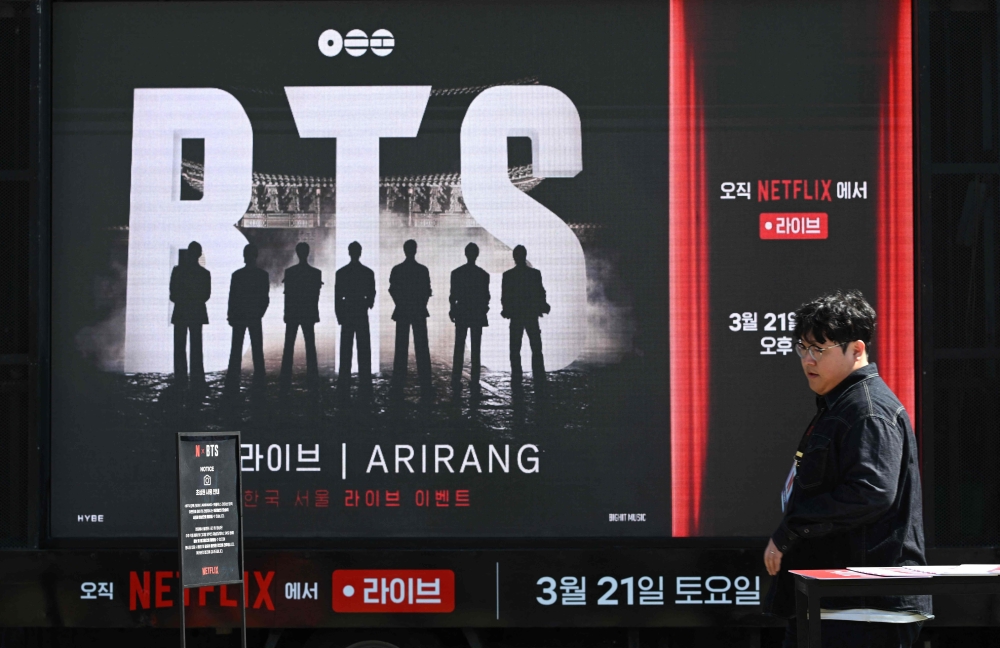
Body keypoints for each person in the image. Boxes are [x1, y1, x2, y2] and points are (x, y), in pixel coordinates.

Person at [763, 290, 931, 647]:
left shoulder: (867, 409)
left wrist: (791, 530)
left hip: (863, 607)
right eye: (802, 348)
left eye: (819, 349)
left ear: (856, 350)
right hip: (839, 604)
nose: (807, 359)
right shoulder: (843, 405)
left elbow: (871, 492)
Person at [388, 239, 433, 397]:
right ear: (415, 250)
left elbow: (393, 290)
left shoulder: (397, 270)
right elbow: (427, 291)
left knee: (401, 347)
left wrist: (401, 304)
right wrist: (420, 305)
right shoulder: (422, 270)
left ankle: (398, 381)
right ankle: (426, 381)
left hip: (402, 311)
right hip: (419, 311)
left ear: (404, 250)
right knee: (422, 347)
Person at [501, 245, 549, 382]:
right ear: (525, 255)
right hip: (531, 314)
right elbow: (541, 292)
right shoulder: (535, 274)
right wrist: (542, 306)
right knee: (536, 347)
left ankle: (517, 375)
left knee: (515, 348)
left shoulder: (508, 275)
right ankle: (539, 374)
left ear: (514, 257)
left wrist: (506, 310)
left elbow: (505, 296)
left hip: (516, 315)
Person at [279, 242, 323, 394]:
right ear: (308, 253)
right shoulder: (316, 273)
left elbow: (288, 296)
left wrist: (286, 313)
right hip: (308, 313)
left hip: (293, 313)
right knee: (310, 345)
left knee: (289, 346)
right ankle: (313, 375)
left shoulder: (290, 272)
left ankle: (285, 376)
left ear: (297, 253)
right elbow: (315, 297)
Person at [225, 243, 270, 390]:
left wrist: (231, 315)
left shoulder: (237, 275)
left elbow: (232, 298)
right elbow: (265, 299)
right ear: (256, 256)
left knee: (236, 349)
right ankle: (259, 378)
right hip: (254, 316)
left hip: (239, 316)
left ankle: (233, 378)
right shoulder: (262, 275)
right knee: (257, 349)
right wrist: (259, 314)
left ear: (244, 256)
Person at [335, 241, 376, 397]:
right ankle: (365, 381)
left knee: (346, 349)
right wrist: (367, 303)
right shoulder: (367, 272)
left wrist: (339, 316)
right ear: (360, 252)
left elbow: (338, 297)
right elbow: (372, 293)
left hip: (347, 312)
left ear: (349, 252)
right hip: (361, 312)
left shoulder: (341, 273)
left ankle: (344, 381)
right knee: (364, 348)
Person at [449, 243, 491, 395]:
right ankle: (475, 378)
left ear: (465, 254)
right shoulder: (483, 275)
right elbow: (486, 297)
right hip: (476, 314)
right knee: (476, 347)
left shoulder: (456, 273)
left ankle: (456, 377)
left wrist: (453, 310)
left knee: (459, 346)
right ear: (477, 254)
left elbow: (453, 296)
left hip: (462, 313)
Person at [169, 242, 211, 386]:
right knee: (196, 347)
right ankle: (197, 377)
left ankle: (180, 378)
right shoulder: (205, 274)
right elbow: (206, 296)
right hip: (196, 313)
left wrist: (183, 300)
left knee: (179, 347)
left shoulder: (178, 271)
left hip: (181, 312)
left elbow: (172, 295)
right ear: (199, 254)